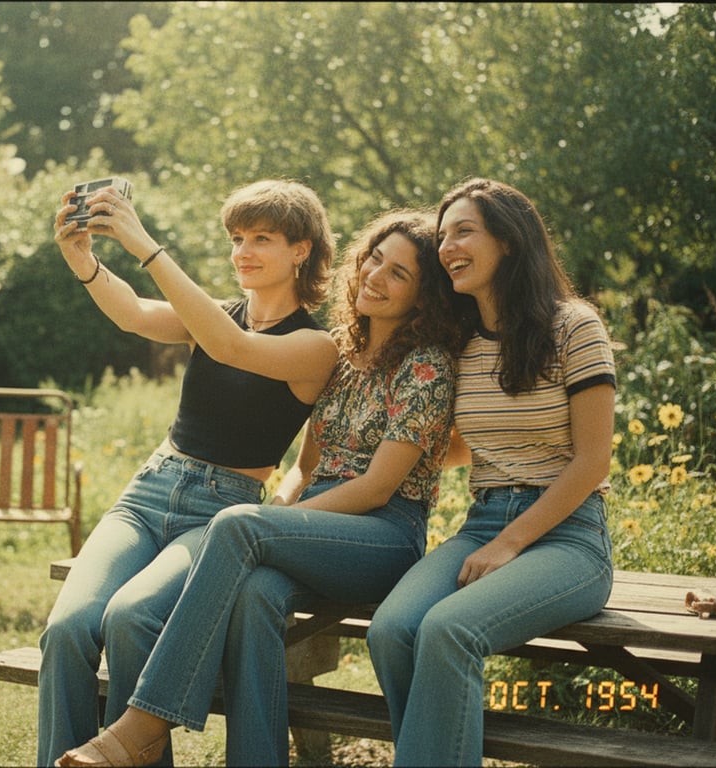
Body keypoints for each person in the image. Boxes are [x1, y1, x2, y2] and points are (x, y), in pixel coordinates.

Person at [56, 209, 468, 767]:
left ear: (424, 297)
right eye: (375, 259)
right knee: (253, 600)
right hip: (312, 528)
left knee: (236, 525)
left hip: (384, 534)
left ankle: (143, 724)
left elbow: (376, 488)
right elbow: (305, 466)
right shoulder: (344, 355)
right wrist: (281, 505)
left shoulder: (426, 367)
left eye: (399, 273)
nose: (376, 276)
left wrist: (272, 521)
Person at [38, 179, 340, 766]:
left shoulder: (315, 345)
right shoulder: (217, 315)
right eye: (237, 238)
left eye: (262, 239)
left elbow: (232, 347)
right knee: (68, 628)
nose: (243, 252)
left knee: (131, 619)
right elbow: (133, 313)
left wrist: (142, 242)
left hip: (219, 513)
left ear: (301, 250)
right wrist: (83, 260)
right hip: (149, 492)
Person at [367, 178, 617, 766]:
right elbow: (460, 445)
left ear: (508, 240)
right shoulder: (460, 343)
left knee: (449, 629)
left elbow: (593, 460)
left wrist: (511, 542)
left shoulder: (574, 326)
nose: (447, 247)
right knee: (392, 629)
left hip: (570, 537)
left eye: (464, 232)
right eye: (442, 236)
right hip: (482, 524)